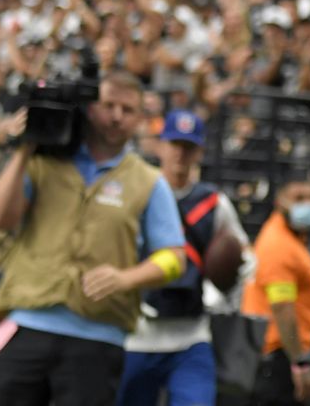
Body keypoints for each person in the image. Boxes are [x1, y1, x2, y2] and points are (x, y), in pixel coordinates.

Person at [0, 71, 188, 406]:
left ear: (140, 119)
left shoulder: (149, 181)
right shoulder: (44, 162)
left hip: (98, 337)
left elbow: (174, 259)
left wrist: (125, 278)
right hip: (25, 323)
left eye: (128, 110)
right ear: (89, 107)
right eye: (108, 105)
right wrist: (25, 149)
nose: (116, 116)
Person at [118, 110, 251, 406]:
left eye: (188, 147)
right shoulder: (137, 194)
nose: (180, 154)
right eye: (175, 144)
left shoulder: (213, 202)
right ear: (160, 145)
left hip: (190, 335)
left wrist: (225, 291)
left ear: (199, 152)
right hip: (137, 334)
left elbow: (241, 255)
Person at [242, 175, 310, 406]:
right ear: (280, 202)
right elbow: (281, 308)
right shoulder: (279, 245)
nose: (308, 204)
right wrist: (300, 364)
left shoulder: (292, 239)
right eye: (299, 198)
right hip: (282, 358)